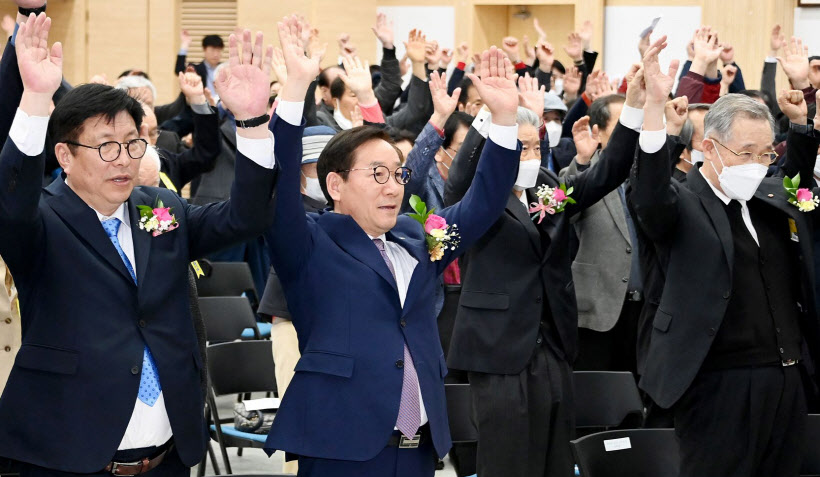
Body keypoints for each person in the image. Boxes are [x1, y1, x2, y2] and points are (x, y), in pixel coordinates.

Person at [0, 15, 282, 476]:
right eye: (106, 147)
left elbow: (246, 216)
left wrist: (252, 122)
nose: (124, 160)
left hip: (169, 457)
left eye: (133, 144)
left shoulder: (160, 207)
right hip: (65, 459)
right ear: (65, 156)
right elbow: (9, 208)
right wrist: (34, 102)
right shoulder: (40, 221)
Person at [263, 16, 522, 477]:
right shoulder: (309, 243)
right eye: (377, 174)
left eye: (398, 175)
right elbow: (278, 184)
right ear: (335, 186)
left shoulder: (416, 237)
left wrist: (503, 120)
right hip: (342, 448)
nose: (394, 187)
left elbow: (482, 205)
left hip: (418, 447)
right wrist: (295, 89)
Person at [444, 36, 674, 477]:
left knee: (555, 460)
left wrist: (634, 106)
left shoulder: (546, 186)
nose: (530, 155)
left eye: (535, 146)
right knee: (509, 463)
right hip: (498, 349)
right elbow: (458, 179)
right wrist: (494, 115)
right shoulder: (473, 196)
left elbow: (606, 174)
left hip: (553, 345)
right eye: (520, 146)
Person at [629, 85, 820, 475]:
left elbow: (794, 179)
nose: (757, 163)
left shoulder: (766, 201)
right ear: (711, 148)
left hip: (785, 380)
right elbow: (648, 195)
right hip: (717, 385)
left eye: (765, 153)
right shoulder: (682, 202)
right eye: (745, 153)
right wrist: (655, 118)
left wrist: (800, 124)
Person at [559, 87, 645, 374]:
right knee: (596, 397)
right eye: (623, 127)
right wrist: (583, 161)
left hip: (644, 308)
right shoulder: (579, 171)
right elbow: (567, 212)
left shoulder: (648, 174)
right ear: (597, 132)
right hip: (597, 309)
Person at [176, 31, 224, 96]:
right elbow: (179, 70)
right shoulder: (195, 69)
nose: (215, 54)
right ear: (204, 49)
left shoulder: (225, 69)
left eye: (218, 50)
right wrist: (185, 44)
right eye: (212, 50)